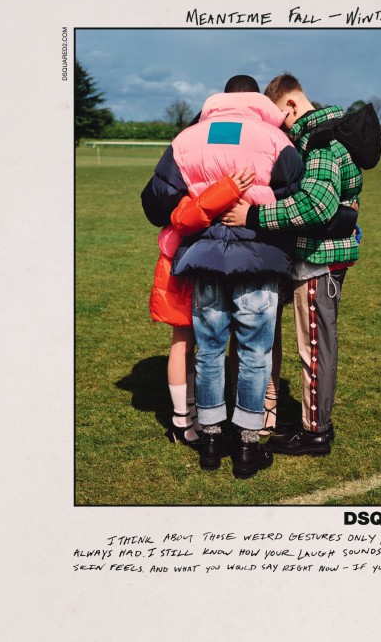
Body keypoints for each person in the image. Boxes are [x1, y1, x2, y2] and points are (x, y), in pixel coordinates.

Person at [141, 75, 303, 477]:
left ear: (221, 99)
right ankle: (247, 444)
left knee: (209, 350)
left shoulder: (188, 138)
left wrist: (205, 201)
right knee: (254, 353)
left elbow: (156, 201)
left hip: (205, 258)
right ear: (257, 100)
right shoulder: (276, 139)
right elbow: (295, 198)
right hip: (259, 256)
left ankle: (211, 439)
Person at [223, 73, 363, 456]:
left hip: (318, 261)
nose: (278, 127)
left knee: (314, 347)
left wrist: (253, 215)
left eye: (278, 117)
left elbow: (315, 206)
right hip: (318, 257)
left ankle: (314, 432)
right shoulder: (319, 138)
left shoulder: (321, 143)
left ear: (290, 104)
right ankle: (310, 423)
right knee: (315, 344)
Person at [148, 167, 255, 446]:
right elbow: (191, 215)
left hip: (192, 265)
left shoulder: (188, 179)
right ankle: (180, 419)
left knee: (197, 344)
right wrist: (228, 188)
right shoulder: (183, 188)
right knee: (184, 341)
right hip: (181, 270)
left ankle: (191, 412)